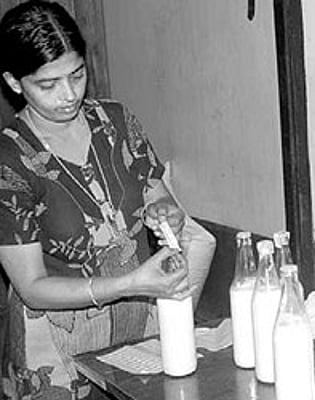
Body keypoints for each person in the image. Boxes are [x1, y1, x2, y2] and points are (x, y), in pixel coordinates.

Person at [0, 2, 216, 399]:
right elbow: (32, 286)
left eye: (77, 74)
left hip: (138, 325)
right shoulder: (9, 161)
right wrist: (128, 282)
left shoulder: (115, 121)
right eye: (47, 85)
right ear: (14, 82)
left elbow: (158, 194)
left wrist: (167, 212)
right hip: (56, 346)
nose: (68, 95)